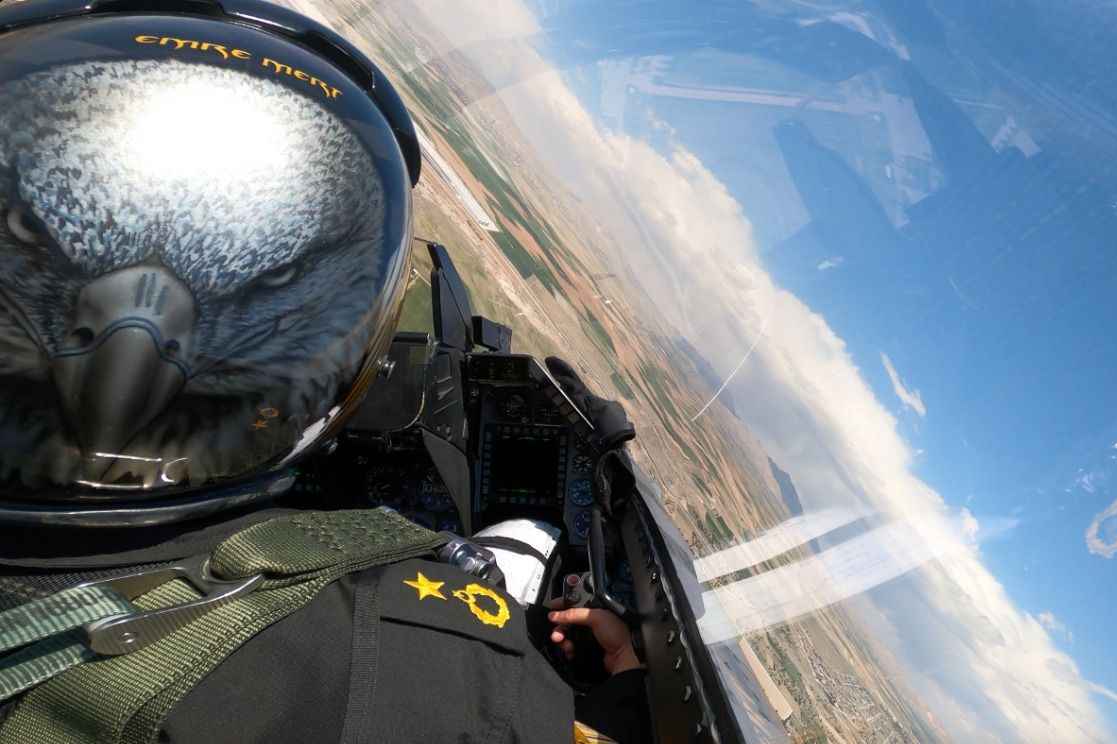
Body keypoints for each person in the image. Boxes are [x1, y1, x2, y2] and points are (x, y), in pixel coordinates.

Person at [0, 0, 647, 741]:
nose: (131, 349)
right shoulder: (437, 682)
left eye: (272, 279)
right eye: (29, 231)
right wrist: (624, 694)